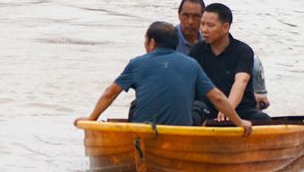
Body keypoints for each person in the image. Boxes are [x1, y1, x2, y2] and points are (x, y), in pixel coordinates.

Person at [83, 21, 253, 132]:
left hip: (143, 133)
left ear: (151, 43)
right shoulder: (190, 64)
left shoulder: (136, 63)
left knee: (135, 105)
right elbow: (217, 97)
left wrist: (91, 119)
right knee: (199, 107)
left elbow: (110, 93)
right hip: (180, 133)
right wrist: (239, 123)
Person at [188, 2, 269, 124]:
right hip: (207, 108)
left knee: (264, 120)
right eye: (202, 24)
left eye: (210, 25)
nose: (204, 30)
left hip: (239, 109)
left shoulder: (243, 51)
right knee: (194, 111)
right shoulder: (197, 50)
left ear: (225, 27)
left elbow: (241, 81)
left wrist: (228, 109)